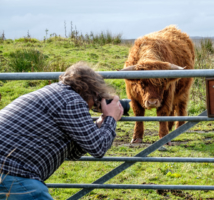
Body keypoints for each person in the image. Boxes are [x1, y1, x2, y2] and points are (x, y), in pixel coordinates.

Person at [0, 62, 123, 200]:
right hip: (11, 172)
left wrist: (99, 123)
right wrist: (111, 117)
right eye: (96, 101)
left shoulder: (57, 93)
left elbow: (72, 153)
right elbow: (98, 148)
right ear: (92, 91)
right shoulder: (71, 101)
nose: (92, 107)